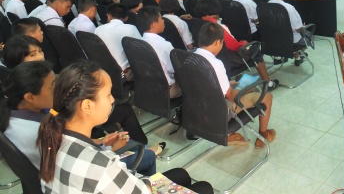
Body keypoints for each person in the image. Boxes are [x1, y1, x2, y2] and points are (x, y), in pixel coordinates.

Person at [36, 62, 213, 193]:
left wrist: (106, 148)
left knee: (181, 175)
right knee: (204, 188)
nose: (113, 99)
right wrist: (146, 183)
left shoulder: (52, 139)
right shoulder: (101, 165)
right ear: (87, 105)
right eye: (108, 94)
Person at [195, 22, 276, 148]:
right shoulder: (215, 64)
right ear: (217, 42)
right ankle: (263, 134)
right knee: (267, 96)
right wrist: (246, 89)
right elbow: (231, 96)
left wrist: (226, 84)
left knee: (240, 87)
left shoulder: (189, 57)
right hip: (219, 112)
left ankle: (232, 135)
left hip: (196, 110)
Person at [197, 0, 278, 89]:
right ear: (216, 9)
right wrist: (243, 43)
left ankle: (240, 80)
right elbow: (235, 47)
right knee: (255, 50)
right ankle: (268, 83)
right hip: (227, 58)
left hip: (209, 57)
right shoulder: (217, 27)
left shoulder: (197, 22)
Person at [137, 6, 181, 98]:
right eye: (161, 19)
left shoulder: (138, 42)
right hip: (166, 90)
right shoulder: (164, 45)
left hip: (147, 86)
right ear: (154, 25)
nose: (163, 21)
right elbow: (174, 69)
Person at [95, 3, 142, 81]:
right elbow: (141, 50)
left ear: (108, 16)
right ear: (126, 18)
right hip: (125, 73)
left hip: (105, 72)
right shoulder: (131, 28)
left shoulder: (98, 29)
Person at [268, 0, 308, 65]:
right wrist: (303, 27)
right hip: (290, 41)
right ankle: (298, 56)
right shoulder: (289, 8)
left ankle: (285, 57)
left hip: (273, 39)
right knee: (304, 35)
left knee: (286, 36)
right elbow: (297, 29)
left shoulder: (266, 5)